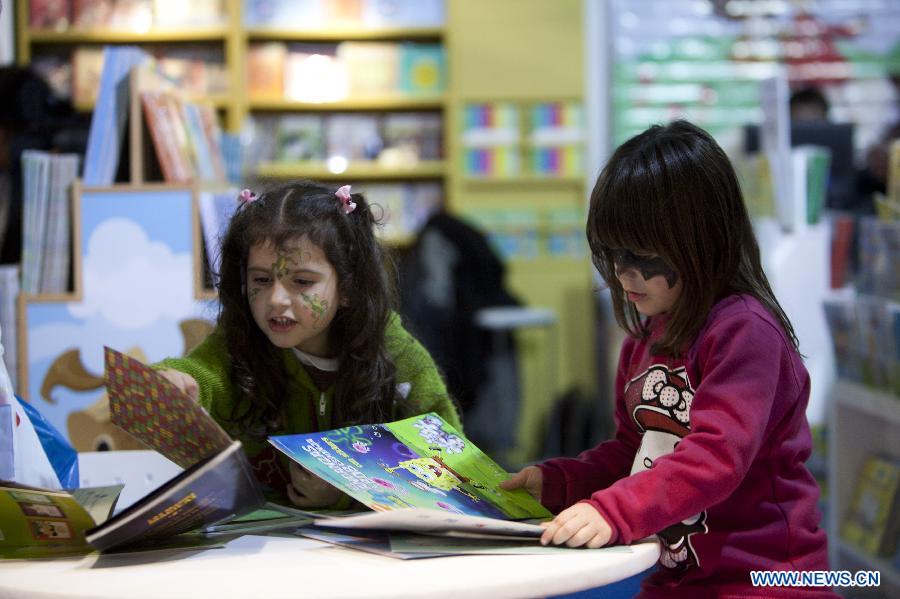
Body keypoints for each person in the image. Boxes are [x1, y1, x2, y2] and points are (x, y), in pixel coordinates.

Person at [502, 121, 834, 597]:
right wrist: (558, 482)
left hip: (768, 580)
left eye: (642, 256)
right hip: (678, 577)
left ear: (702, 240)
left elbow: (715, 456)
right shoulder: (645, 338)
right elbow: (632, 453)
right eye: (612, 255)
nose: (623, 274)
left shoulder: (745, 331)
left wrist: (612, 511)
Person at [157, 180, 461, 509]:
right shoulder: (240, 337)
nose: (276, 300)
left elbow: (450, 459)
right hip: (264, 544)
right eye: (260, 279)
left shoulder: (391, 349)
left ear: (347, 288)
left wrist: (347, 493)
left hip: (371, 544)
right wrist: (172, 379)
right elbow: (200, 371)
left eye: (302, 282)